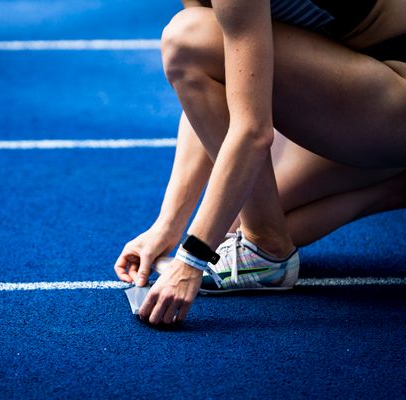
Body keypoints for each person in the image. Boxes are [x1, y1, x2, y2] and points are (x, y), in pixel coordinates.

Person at [114, 0, 406, 325]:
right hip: (361, 77)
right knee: (238, 218)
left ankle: (268, 250)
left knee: (186, 37)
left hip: (392, 86)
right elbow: (208, 83)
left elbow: (251, 131)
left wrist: (192, 258)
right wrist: (167, 226)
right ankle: (394, 187)